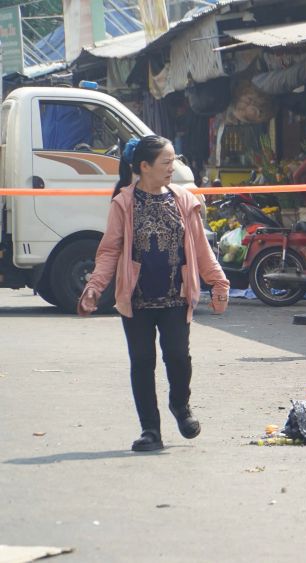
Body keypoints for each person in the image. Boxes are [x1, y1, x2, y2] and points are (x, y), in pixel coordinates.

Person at [77, 135, 230, 452]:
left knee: (178, 358)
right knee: (142, 362)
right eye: (167, 162)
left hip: (176, 297)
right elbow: (109, 251)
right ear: (144, 167)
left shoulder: (184, 200)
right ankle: (150, 430)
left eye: (173, 160)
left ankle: (180, 405)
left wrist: (219, 282)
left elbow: (201, 249)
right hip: (137, 301)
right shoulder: (124, 203)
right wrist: (95, 286)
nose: (172, 167)